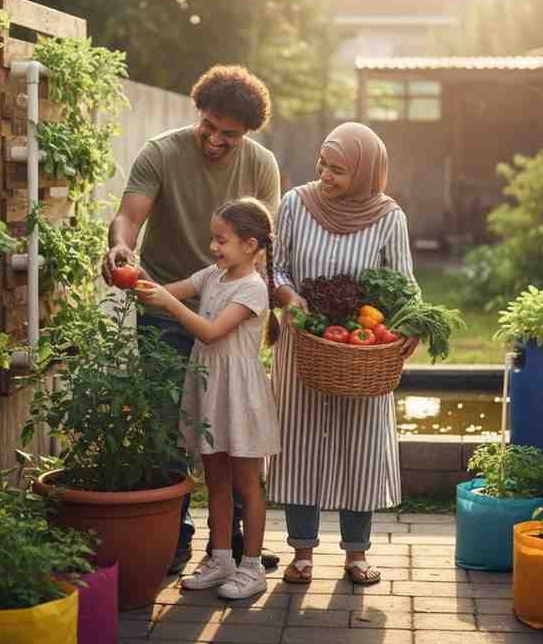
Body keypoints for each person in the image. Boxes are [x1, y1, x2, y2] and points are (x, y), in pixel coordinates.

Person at [101, 65, 281, 574]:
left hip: (226, 308)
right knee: (166, 423)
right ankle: (173, 537)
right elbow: (129, 216)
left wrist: (259, 309)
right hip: (165, 302)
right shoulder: (162, 151)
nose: (216, 140)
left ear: (246, 135)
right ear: (198, 111)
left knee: (232, 427)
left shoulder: (262, 165)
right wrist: (120, 246)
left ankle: (236, 544)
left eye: (231, 134)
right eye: (209, 125)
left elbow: (261, 246)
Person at [266, 122, 420, 586]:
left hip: (363, 353)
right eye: (322, 164)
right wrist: (289, 298)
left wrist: (410, 322)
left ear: (365, 172)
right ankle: (302, 553)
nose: (325, 175)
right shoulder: (295, 204)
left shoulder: (389, 216)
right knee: (299, 444)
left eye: (338, 169)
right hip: (304, 343)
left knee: (362, 447)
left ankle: (356, 554)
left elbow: (405, 283)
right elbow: (275, 268)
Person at [135, 198, 281, 599]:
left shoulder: (252, 288)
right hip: (210, 389)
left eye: (222, 240)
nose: (214, 248)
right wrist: (134, 279)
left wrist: (168, 303)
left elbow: (211, 332)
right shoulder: (213, 274)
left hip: (240, 394)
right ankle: (220, 560)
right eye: (213, 239)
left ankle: (251, 568)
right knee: (216, 479)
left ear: (250, 245)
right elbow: (160, 292)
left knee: (246, 485)